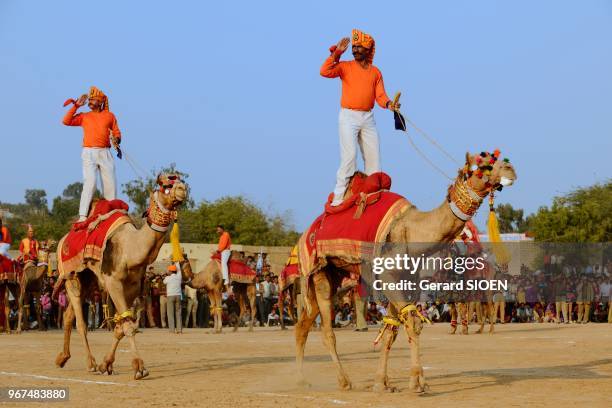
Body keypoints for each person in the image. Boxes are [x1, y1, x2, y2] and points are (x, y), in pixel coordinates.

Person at [320, 29, 399, 206]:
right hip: (348, 116)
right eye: (353, 47)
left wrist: (389, 104)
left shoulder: (375, 72)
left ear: (368, 50)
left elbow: (380, 96)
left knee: (374, 159)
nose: (355, 50)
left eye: (359, 47)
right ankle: (338, 199)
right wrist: (337, 53)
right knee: (349, 158)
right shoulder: (345, 66)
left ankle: (375, 198)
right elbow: (324, 71)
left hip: (368, 118)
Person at [62, 86, 122, 222]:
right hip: (89, 152)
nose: (90, 101)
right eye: (90, 99)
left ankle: (111, 214)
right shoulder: (84, 116)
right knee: (90, 182)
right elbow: (66, 121)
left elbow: (117, 132)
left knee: (110, 183)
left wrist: (116, 139)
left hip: (105, 152)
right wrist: (76, 106)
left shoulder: (109, 116)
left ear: (100, 102)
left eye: (93, 99)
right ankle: (82, 215)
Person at [164, 263, 183, 334]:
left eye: (169, 270)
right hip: (178, 295)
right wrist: (177, 263)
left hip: (170, 296)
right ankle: (179, 330)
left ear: (171, 271)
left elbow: (164, 282)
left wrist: (167, 274)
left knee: (170, 313)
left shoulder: (167, 278)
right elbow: (179, 269)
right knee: (178, 313)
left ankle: (172, 330)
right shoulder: (179, 276)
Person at [216, 225, 232, 292]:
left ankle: (226, 280)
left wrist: (218, 251)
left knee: (223, 263)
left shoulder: (226, 234)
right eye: (217, 230)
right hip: (221, 251)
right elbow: (220, 246)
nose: (218, 231)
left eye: (219, 229)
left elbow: (224, 245)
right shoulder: (221, 236)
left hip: (225, 251)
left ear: (222, 229)